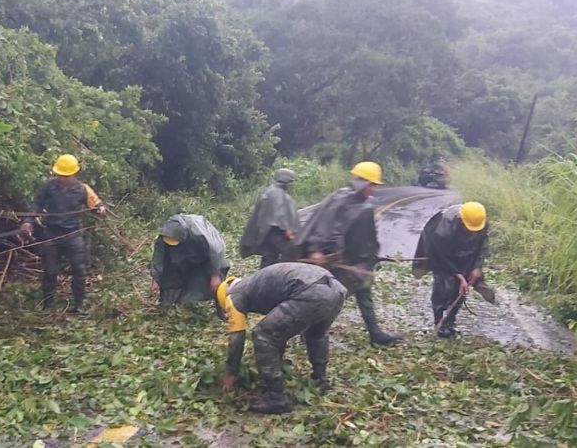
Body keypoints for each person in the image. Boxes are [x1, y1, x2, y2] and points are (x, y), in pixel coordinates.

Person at [294, 161, 403, 346]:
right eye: (372, 185)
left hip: (359, 262)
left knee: (364, 294)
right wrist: (316, 250)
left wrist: (373, 256)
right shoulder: (341, 200)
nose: (374, 189)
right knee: (335, 298)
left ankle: (375, 334)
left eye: (376, 185)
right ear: (362, 182)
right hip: (339, 261)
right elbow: (324, 226)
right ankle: (311, 332)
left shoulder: (365, 204)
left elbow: (366, 235)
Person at [217, 263, 347, 414]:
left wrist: (230, 372)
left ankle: (276, 398)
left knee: (263, 335)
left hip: (310, 292)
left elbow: (237, 337)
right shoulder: (253, 282)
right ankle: (320, 380)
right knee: (316, 333)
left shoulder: (234, 296)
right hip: (336, 289)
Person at [20, 154, 105, 313]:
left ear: (74, 174)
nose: (62, 178)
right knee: (50, 270)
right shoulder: (48, 187)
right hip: (52, 234)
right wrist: (27, 222)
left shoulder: (83, 189)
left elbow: (97, 205)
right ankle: (48, 304)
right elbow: (35, 205)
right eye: (60, 175)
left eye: (66, 176)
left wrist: (100, 210)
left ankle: (79, 305)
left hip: (73, 234)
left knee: (79, 269)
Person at [412, 202, 492, 338]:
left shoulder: (478, 220)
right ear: (461, 220)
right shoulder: (443, 229)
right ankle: (439, 321)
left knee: (463, 289)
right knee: (444, 284)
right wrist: (459, 276)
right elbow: (441, 256)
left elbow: (482, 244)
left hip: (466, 252)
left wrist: (477, 266)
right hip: (440, 253)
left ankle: (450, 321)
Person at [150, 214, 229, 309]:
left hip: (203, 254)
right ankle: (175, 301)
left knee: (214, 282)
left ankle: (222, 307)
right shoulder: (165, 236)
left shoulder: (200, 234)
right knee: (171, 277)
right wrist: (156, 279)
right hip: (181, 256)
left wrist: (215, 275)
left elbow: (215, 251)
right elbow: (159, 257)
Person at [238, 168, 299, 268]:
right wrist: (288, 231)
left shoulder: (270, 191)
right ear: (286, 180)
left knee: (269, 258)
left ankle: (263, 279)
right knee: (290, 253)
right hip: (274, 233)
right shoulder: (277, 193)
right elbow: (280, 214)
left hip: (266, 234)